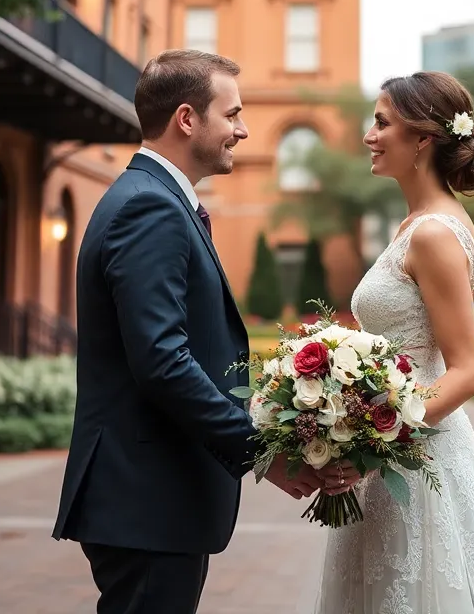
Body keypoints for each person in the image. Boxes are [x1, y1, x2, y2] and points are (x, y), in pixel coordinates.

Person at [52, 49, 359, 614]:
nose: (243, 130)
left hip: (155, 496)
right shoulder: (150, 208)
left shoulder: (159, 200)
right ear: (187, 119)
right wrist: (265, 453)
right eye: (233, 115)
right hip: (148, 495)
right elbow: (163, 360)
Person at [310, 71, 474, 613]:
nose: (369, 136)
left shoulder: (435, 234)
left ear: (421, 139)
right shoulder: (414, 224)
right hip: (391, 450)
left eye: (381, 123)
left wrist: (373, 445)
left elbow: (465, 372)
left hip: (415, 462)